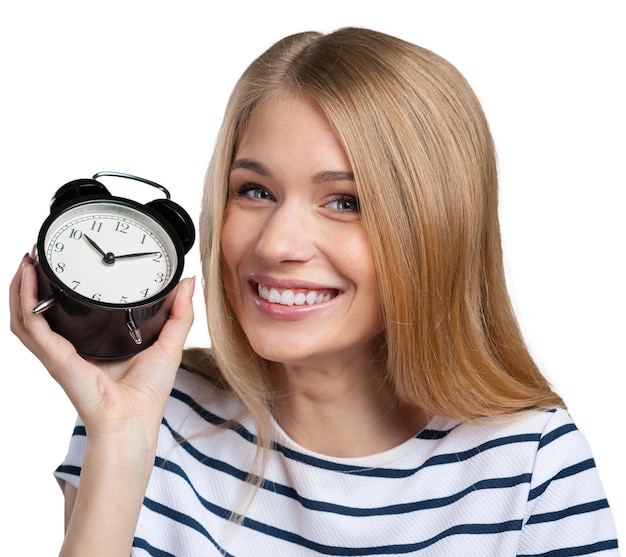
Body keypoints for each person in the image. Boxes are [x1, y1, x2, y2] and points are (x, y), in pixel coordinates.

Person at [10, 27, 620, 556]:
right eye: (255, 191)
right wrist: (120, 437)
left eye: (345, 202)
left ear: (436, 231)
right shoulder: (148, 417)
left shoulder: (531, 467)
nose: (277, 245)